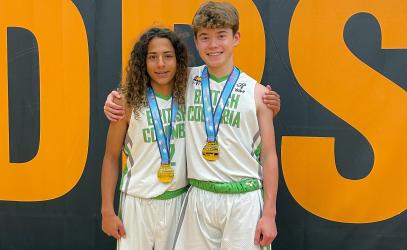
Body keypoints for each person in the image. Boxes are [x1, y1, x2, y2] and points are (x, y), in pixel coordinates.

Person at [172, 2, 278, 249]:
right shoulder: (184, 80)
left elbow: (269, 156)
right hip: (199, 195)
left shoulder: (258, 94)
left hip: (243, 200)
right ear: (196, 42)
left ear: (236, 38)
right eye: (205, 38)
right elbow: (146, 87)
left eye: (221, 36)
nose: (213, 45)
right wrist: (114, 99)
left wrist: (269, 214)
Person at [100, 27, 189, 250]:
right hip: (137, 203)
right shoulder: (127, 102)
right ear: (143, 62)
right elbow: (111, 157)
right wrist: (107, 211)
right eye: (152, 57)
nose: (161, 64)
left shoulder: (192, 95)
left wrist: (270, 102)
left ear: (178, 60)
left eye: (168, 56)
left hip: (179, 202)